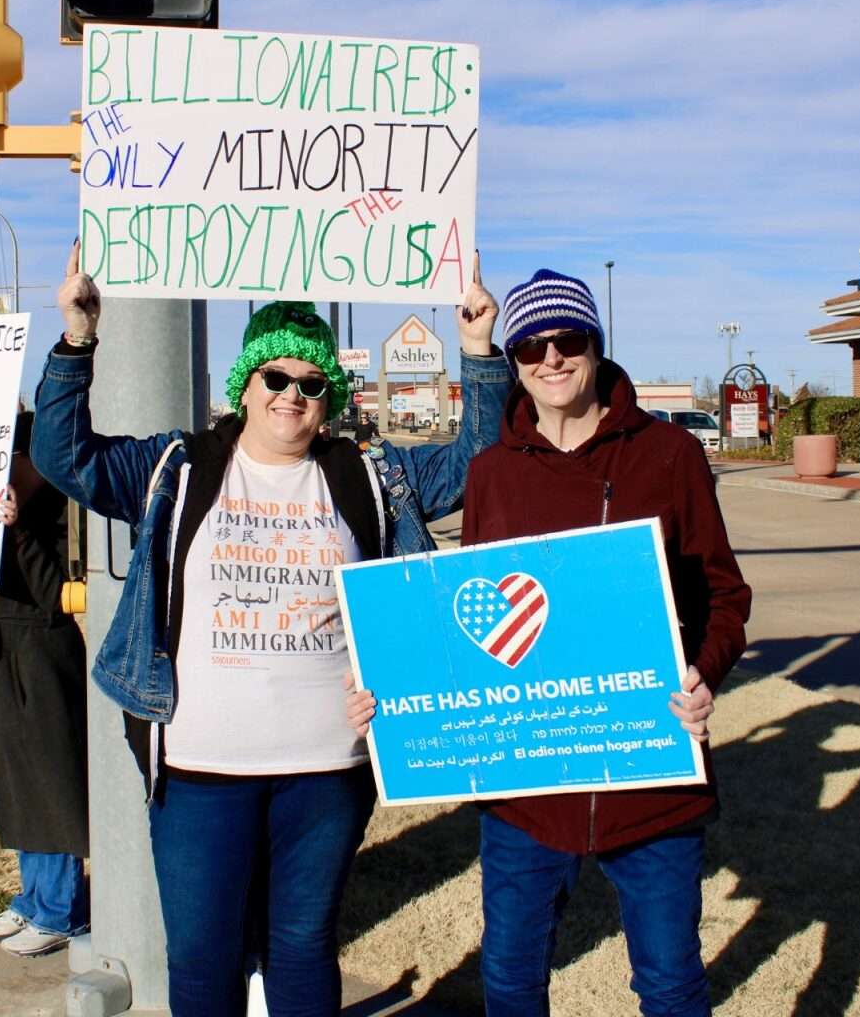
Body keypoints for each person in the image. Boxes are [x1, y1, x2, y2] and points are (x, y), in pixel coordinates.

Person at [30, 243, 509, 1016]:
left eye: (312, 383)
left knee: (302, 947)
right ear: (245, 387)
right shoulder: (178, 468)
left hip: (327, 770)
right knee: (202, 958)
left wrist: (479, 351)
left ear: (331, 396)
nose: (293, 394)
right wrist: (78, 338)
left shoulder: (366, 476)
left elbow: (480, 461)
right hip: (196, 772)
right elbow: (64, 457)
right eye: (276, 377)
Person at [348, 270, 752, 1017]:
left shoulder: (668, 455)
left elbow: (725, 597)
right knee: (509, 980)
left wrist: (703, 673)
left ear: (596, 346)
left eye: (570, 339)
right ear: (517, 357)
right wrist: (395, 697)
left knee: (669, 985)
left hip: (649, 776)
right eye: (532, 344)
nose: (552, 358)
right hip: (525, 787)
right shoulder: (492, 472)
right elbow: (468, 631)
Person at [0, 412, 91, 957]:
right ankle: (33, 897)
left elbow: (54, 594)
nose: (4, 468)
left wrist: (19, 530)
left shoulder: (56, 509)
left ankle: (60, 909)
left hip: (35, 654)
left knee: (45, 780)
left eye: (15, 457)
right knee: (9, 775)